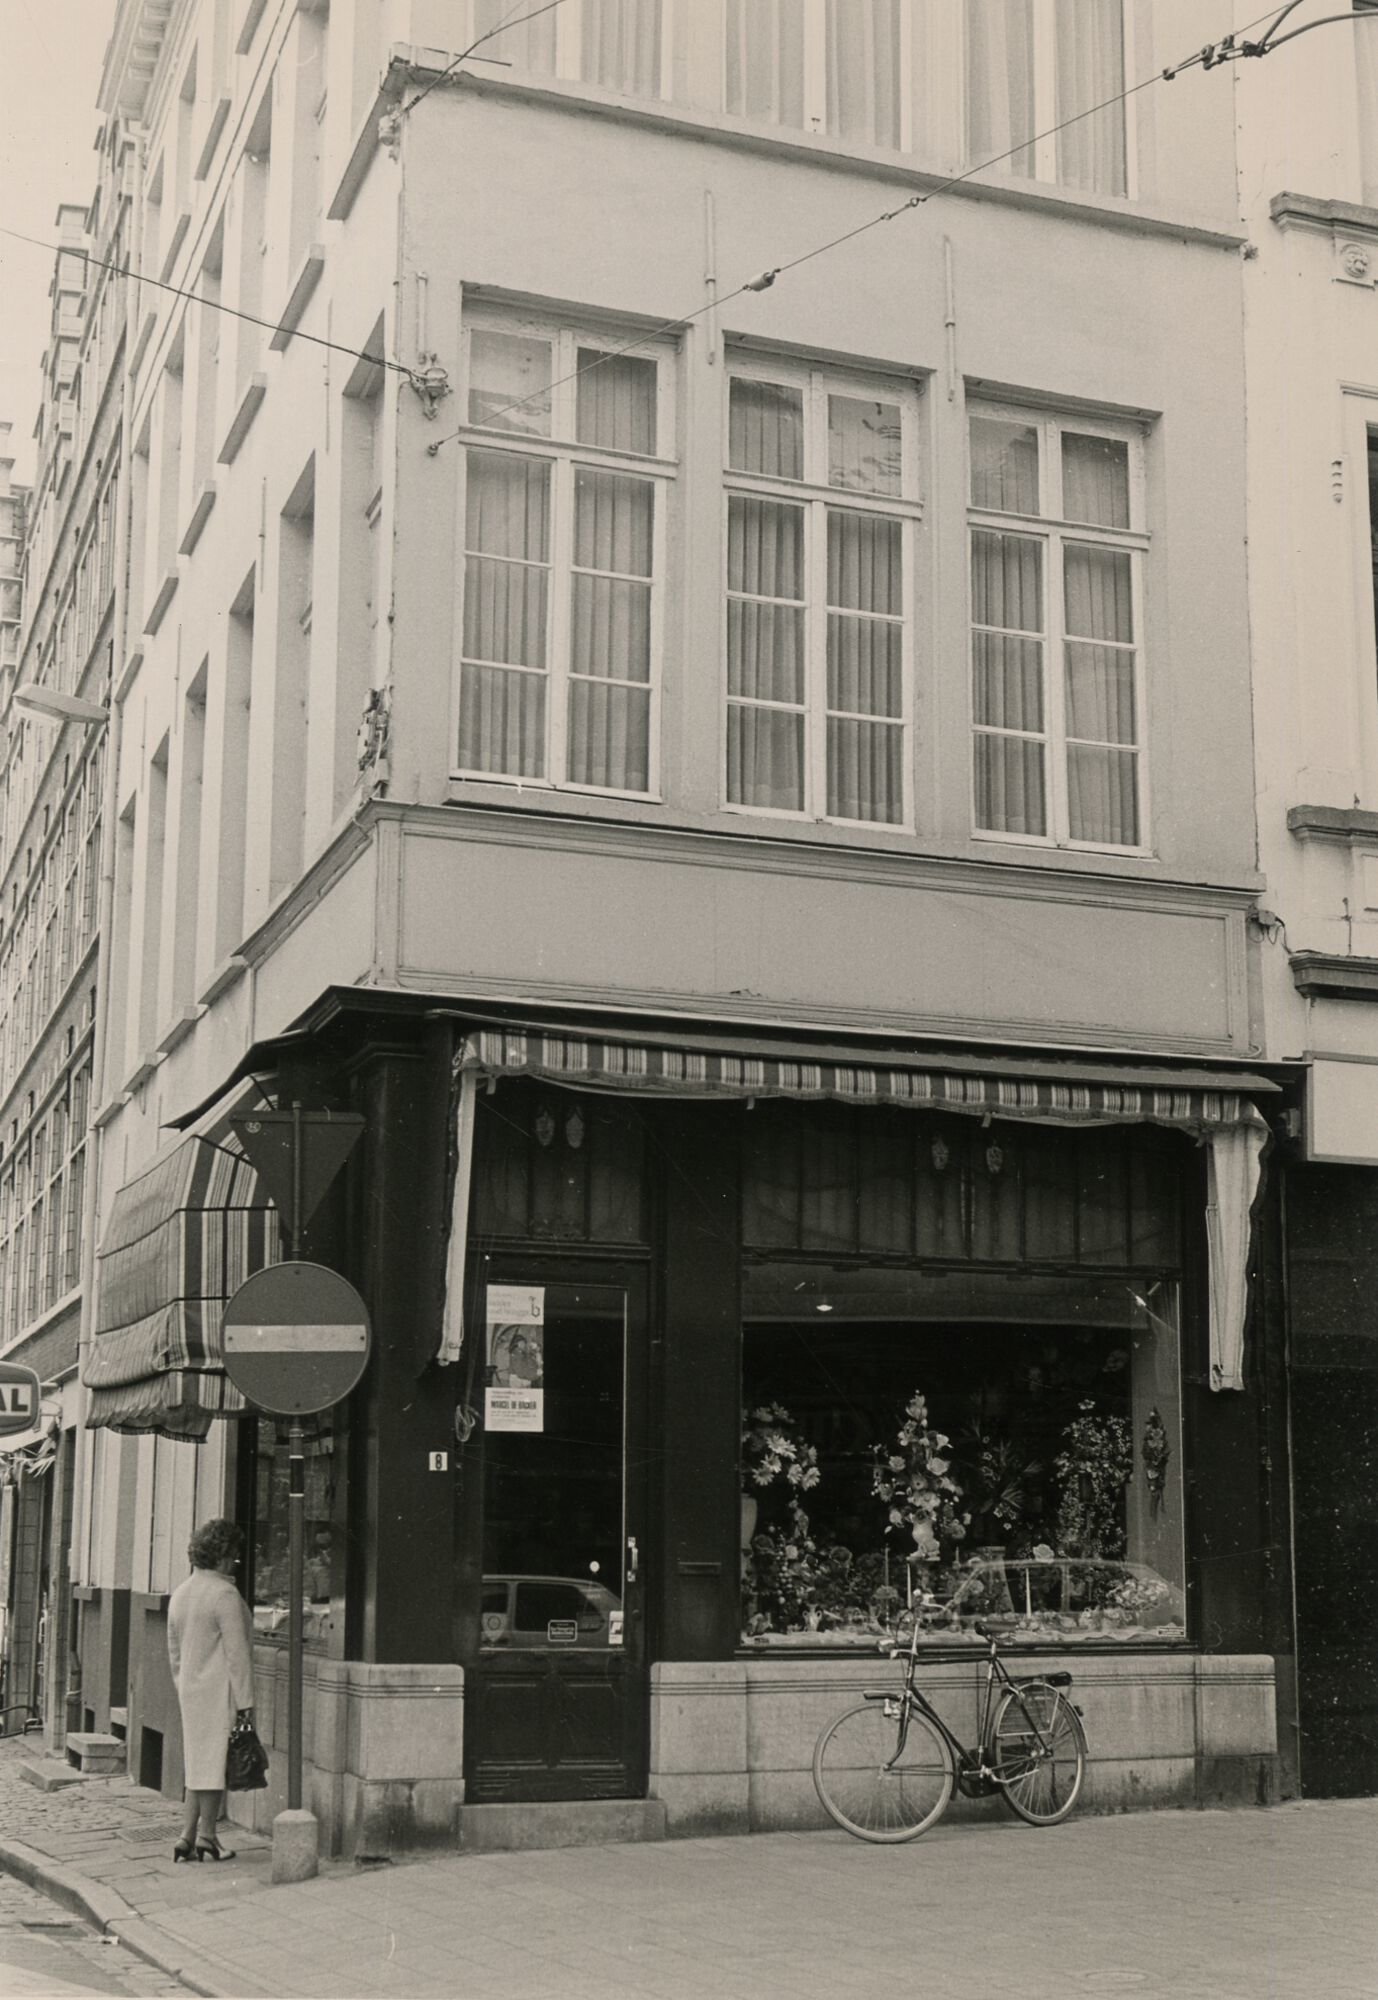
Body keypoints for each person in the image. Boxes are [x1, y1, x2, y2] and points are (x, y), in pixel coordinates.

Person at [167, 1518, 255, 1862]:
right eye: (233, 1555)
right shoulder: (224, 1595)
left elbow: (174, 1654)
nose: (235, 1561)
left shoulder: (180, 1594)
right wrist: (246, 1703)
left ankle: (186, 1836)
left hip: (191, 1691)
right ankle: (208, 1836)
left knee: (198, 1764)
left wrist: (184, 1685)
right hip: (221, 1692)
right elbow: (237, 1655)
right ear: (222, 1555)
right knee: (214, 1765)